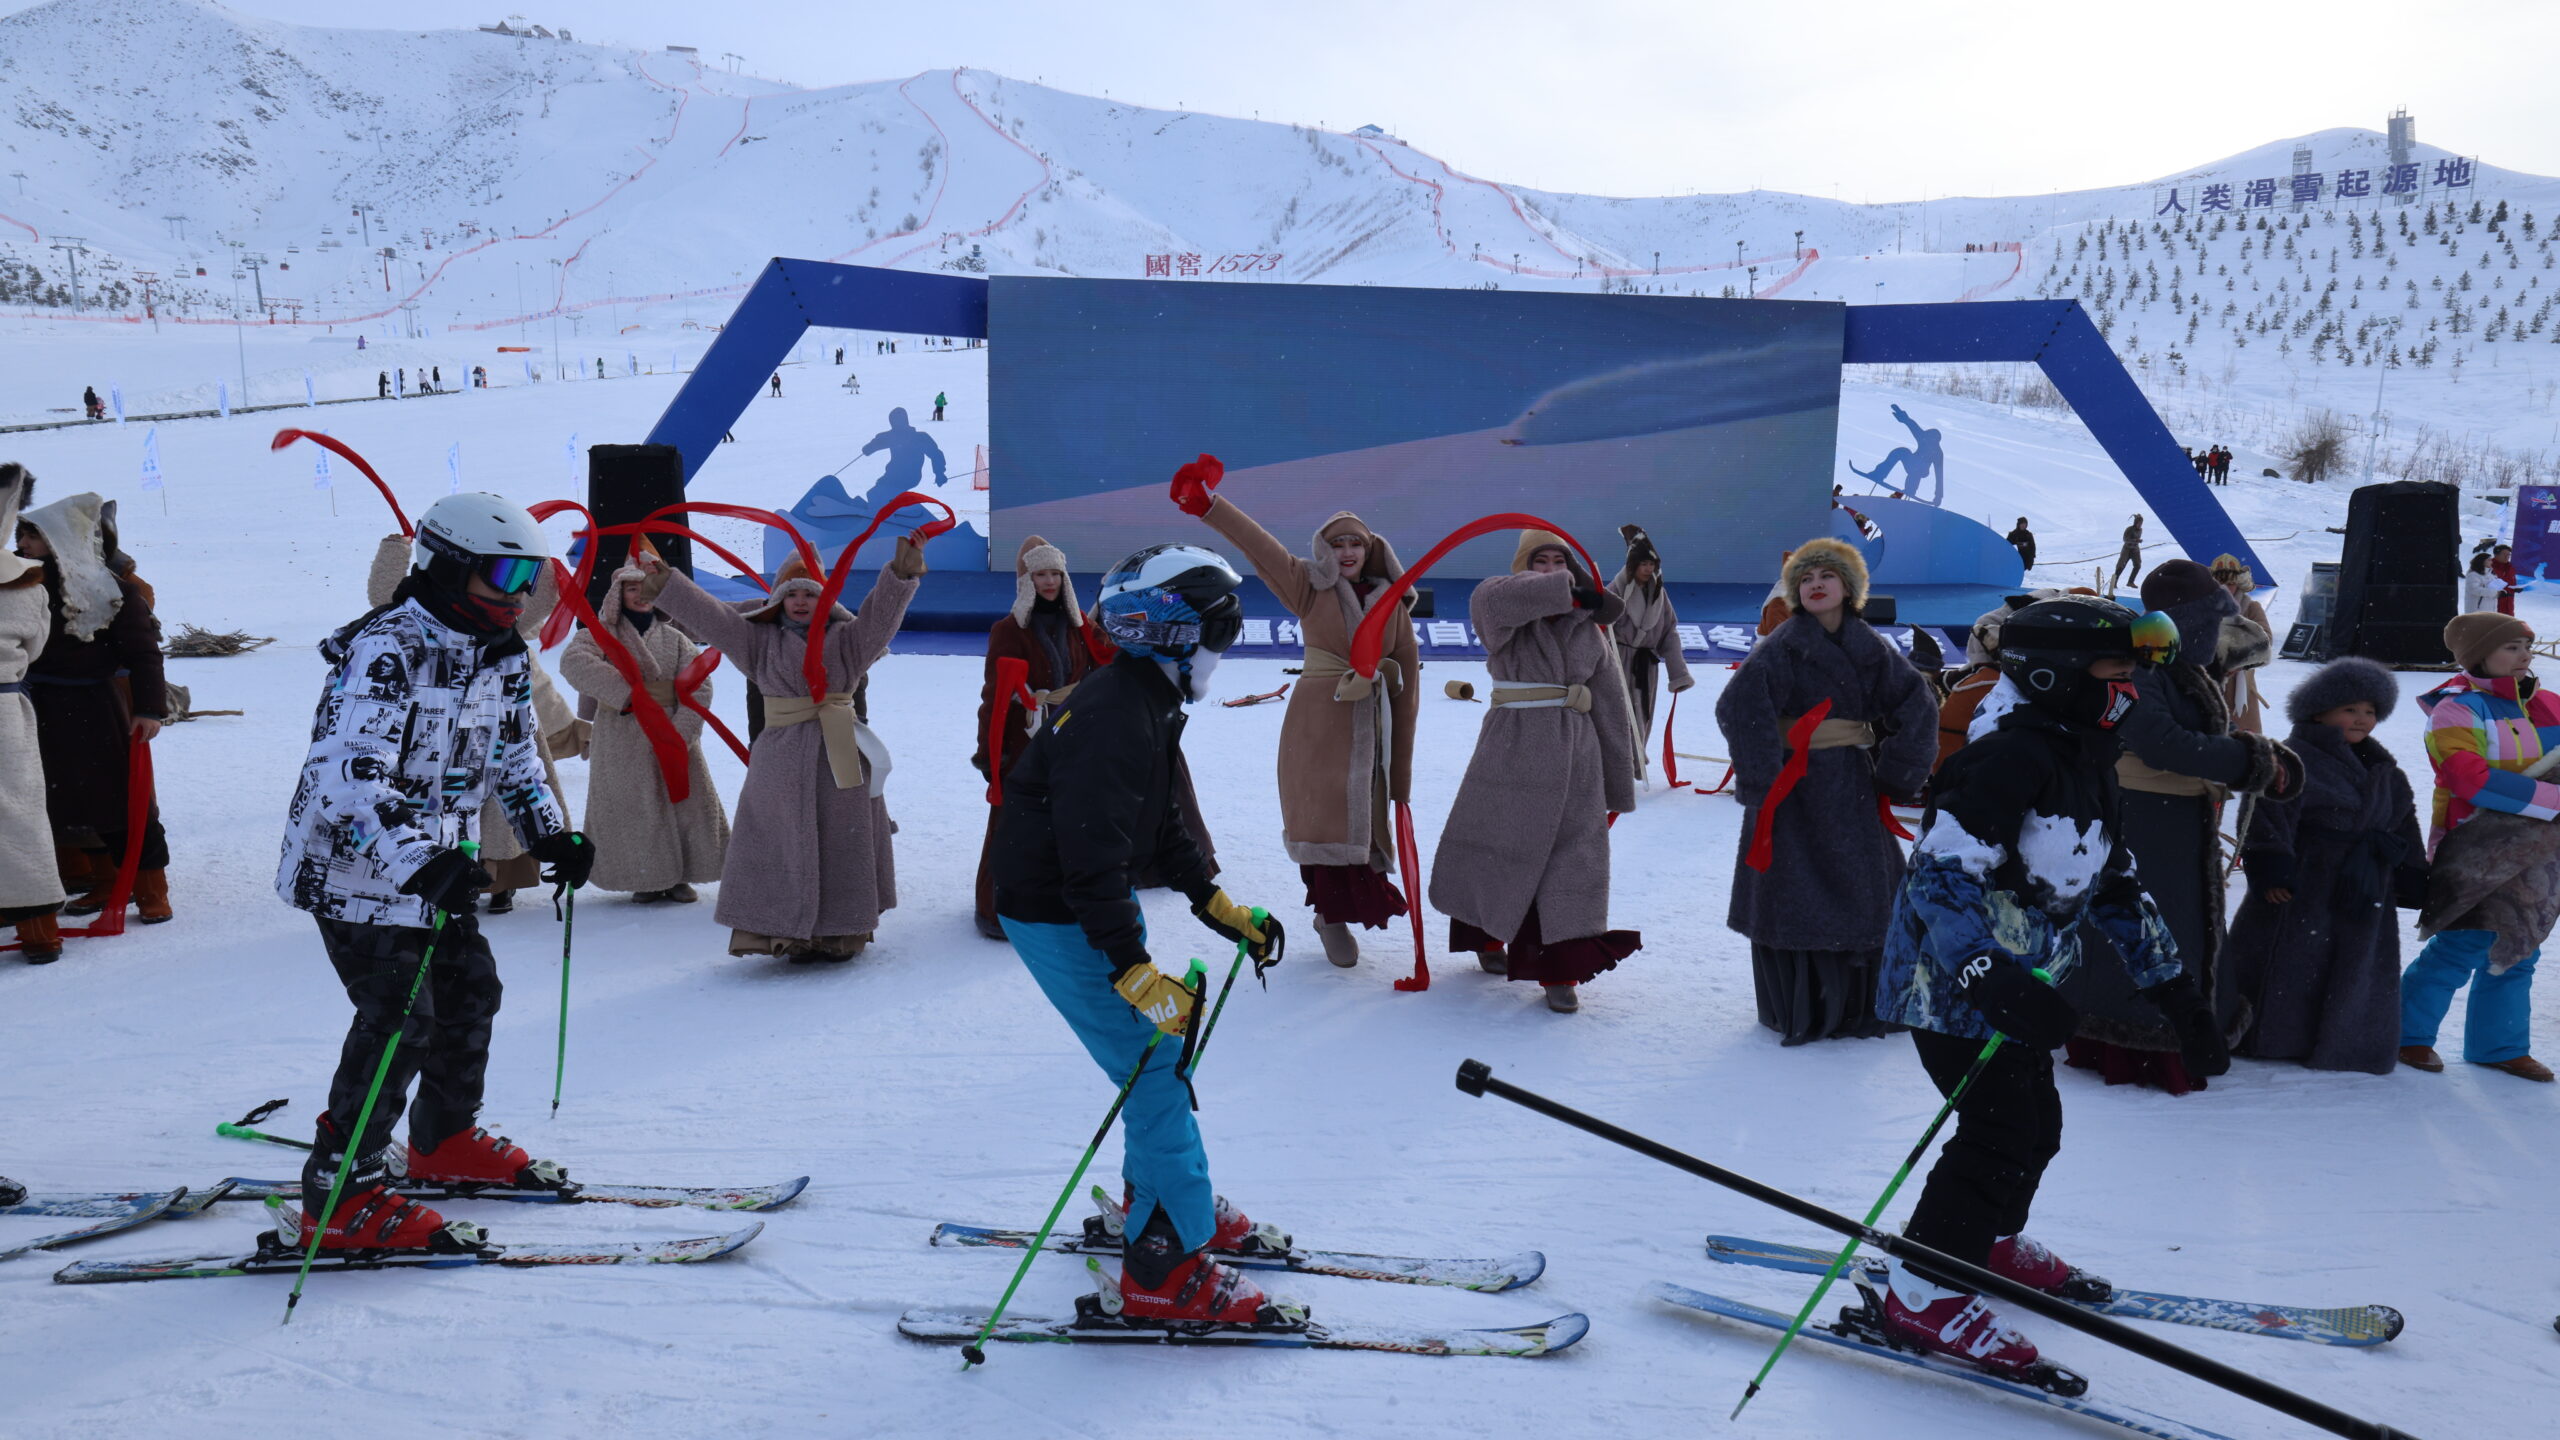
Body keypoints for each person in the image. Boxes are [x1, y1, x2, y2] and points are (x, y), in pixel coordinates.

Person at [1874, 595, 2229, 1379]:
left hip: (2024, 982)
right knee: (1998, 1132)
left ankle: (1988, 1243)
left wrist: (2173, 993)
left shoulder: (2083, 752)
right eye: (2115, 671)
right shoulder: (2008, 757)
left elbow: (2111, 879)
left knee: (2037, 1129)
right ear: (2056, 674)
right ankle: (1924, 1290)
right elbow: (1938, 877)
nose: (2129, 687)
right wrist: (1983, 973)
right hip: (1954, 988)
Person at [273, 492, 595, 1251]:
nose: (519, 594)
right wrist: (422, 862)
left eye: (531, 576)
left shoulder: (502, 652)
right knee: (398, 1021)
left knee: (468, 991)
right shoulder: (387, 649)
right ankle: (339, 1192)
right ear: (448, 567)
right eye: (503, 574)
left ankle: (443, 1137)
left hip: (434, 870)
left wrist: (552, 836)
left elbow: (514, 759)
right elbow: (354, 775)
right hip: (351, 869)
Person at [988, 541, 1289, 1326]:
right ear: (1171, 632)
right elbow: (1090, 865)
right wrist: (1133, 972)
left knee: (1155, 1063)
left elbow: (1157, 825)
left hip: (1073, 898)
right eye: (1217, 634)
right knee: (1155, 1071)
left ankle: (1157, 1202)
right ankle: (1166, 1269)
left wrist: (1218, 906)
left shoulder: (1140, 699)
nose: (1223, 652)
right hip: (1055, 909)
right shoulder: (1116, 714)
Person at [2065, 559, 2297, 1094]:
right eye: (2213, 618)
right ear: (2189, 621)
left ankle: (2152, 1034)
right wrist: (2248, 762)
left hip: (2176, 814)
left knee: (2174, 929)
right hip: (2146, 816)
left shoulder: (2181, 666)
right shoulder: (2143, 670)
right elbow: (2159, 743)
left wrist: (2248, 758)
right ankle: (2142, 1046)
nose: (2221, 628)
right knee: (2156, 931)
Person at [633, 536, 924, 960]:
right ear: (779, 599)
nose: (801, 602)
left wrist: (901, 574)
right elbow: (713, 618)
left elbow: (882, 618)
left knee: (842, 841)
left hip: (839, 754)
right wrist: (669, 585)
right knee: (779, 840)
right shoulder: (759, 640)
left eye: (810, 593)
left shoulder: (848, 639)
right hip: (780, 759)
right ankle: (780, 931)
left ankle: (839, 933)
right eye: (793, 594)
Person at [1188, 479, 1417, 968]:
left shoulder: (1391, 601)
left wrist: (1401, 774)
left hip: (1371, 722)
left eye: (1357, 543)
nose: (1349, 551)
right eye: (1339, 543)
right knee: (1320, 818)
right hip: (1317, 720)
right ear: (1325, 550)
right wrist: (1211, 506)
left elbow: (1408, 684)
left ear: (1371, 549)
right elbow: (1260, 547)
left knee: (1362, 823)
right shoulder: (1310, 588)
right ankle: (1329, 917)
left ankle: (1337, 910)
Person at [1717, 538, 1936, 1043]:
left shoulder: (1870, 647)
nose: (1816, 585)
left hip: (1851, 784)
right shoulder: (1783, 644)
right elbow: (1738, 707)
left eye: (1827, 576)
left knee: (1863, 890)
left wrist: (1899, 773)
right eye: (1806, 579)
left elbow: (1917, 706)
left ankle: (1860, 1004)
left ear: (1849, 588)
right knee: (1798, 891)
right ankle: (1806, 1008)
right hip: (1792, 790)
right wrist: (1762, 779)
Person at [1431, 531, 1641, 1013]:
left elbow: (1608, 701)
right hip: (1512, 744)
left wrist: (1617, 780)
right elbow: (1496, 600)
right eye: (1541, 562)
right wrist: (1566, 587)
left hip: (1577, 755)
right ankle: (1484, 936)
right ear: (1523, 568)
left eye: (1560, 561)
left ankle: (1559, 968)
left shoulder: (1589, 628)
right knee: (1498, 847)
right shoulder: (1497, 607)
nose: (1551, 570)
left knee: (1575, 860)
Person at [2227, 658, 2427, 1074]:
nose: (2362, 719)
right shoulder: (2291, 758)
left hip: (2366, 884)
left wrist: (2411, 871)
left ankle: (2347, 1041)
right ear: (2319, 710)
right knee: (2294, 963)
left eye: (2370, 711)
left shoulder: (2383, 769)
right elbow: (2266, 815)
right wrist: (2271, 866)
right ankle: (2276, 1036)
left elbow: (2403, 820)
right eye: (2350, 709)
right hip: (2306, 881)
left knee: (2355, 964)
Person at [366, 537, 580, 914]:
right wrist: (395, 550)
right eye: (504, 578)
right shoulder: (400, 639)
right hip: (438, 756)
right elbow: (385, 596)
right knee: (457, 813)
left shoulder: (510, 651)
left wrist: (533, 561)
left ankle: (500, 883)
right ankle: (460, 877)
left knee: (502, 815)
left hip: (500, 736)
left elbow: (535, 700)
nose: (514, 596)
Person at [2398, 612, 2559, 1082]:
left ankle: (2499, 1046)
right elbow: (2469, 780)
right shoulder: (2457, 708)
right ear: (2478, 656)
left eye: (2525, 647)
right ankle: (2407, 1034)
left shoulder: (2548, 703)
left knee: (2520, 946)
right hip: (2475, 847)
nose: (2524, 656)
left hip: (2538, 850)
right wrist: (2553, 801)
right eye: (2511, 647)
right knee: (2460, 945)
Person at [18, 492, 172, 927]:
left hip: (96, 708)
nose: (23, 544)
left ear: (59, 540)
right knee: (59, 801)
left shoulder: (115, 591)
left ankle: (150, 890)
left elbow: (145, 655)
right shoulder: (21, 583)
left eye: (31, 536)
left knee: (118, 800)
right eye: (22, 536)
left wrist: (148, 709)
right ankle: (102, 881)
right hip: (38, 705)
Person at [557, 539, 731, 904]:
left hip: (672, 733)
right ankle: (644, 875)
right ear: (617, 594)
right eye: (632, 588)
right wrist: (629, 695)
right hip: (623, 735)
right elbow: (574, 662)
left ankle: (680, 874)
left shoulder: (678, 640)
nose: (640, 595)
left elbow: (699, 684)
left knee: (680, 803)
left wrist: (682, 732)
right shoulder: (597, 636)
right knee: (633, 807)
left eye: (647, 588)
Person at [972, 535, 1107, 940]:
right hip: (1024, 738)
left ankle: (1058, 904)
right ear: (1026, 580)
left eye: (1055, 573)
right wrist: (987, 754)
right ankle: (998, 909)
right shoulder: (1007, 630)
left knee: (1067, 822)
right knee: (1014, 823)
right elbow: (993, 695)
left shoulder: (1083, 625)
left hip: (1071, 736)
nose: (1049, 582)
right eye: (1040, 574)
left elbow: (1102, 673)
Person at [0, 465, 64, 963]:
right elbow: (36, 647)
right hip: (6, 709)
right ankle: (39, 932)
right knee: (20, 816)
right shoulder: (27, 586)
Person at [1608, 525, 1694, 786]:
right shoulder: (1614, 591)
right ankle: (1612, 766)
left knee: (1641, 715)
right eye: (1643, 563)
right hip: (1616, 662)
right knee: (1615, 715)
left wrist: (1678, 674)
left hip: (1646, 667)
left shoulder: (1660, 595)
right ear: (1632, 565)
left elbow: (1669, 633)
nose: (1647, 569)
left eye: (1651, 564)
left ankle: (1633, 762)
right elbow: (1598, 629)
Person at [2207, 555, 2272, 735]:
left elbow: (2266, 641)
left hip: (2240, 682)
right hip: (2208, 678)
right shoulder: (2203, 607)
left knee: (2245, 735)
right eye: (2221, 584)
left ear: (2239, 584)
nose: (2226, 588)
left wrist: (2236, 637)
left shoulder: (2251, 607)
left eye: (2230, 583)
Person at [2109, 515, 2144, 593]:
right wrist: (2135, 540)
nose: (2140, 525)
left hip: (2135, 549)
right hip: (2127, 549)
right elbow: (2125, 539)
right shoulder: (2129, 529)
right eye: (2139, 523)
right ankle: (2114, 582)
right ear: (2135, 522)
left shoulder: (2140, 530)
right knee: (2121, 565)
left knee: (2137, 565)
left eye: (2141, 523)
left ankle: (2130, 582)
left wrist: (2137, 542)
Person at [2490, 544, 2518, 617]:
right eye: (2504, 554)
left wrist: (2516, 588)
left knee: (2508, 625)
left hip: (2509, 605)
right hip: (2493, 604)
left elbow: (2511, 584)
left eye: (2509, 554)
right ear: (2496, 554)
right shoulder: (2489, 567)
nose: (2507, 557)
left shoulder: (2510, 567)